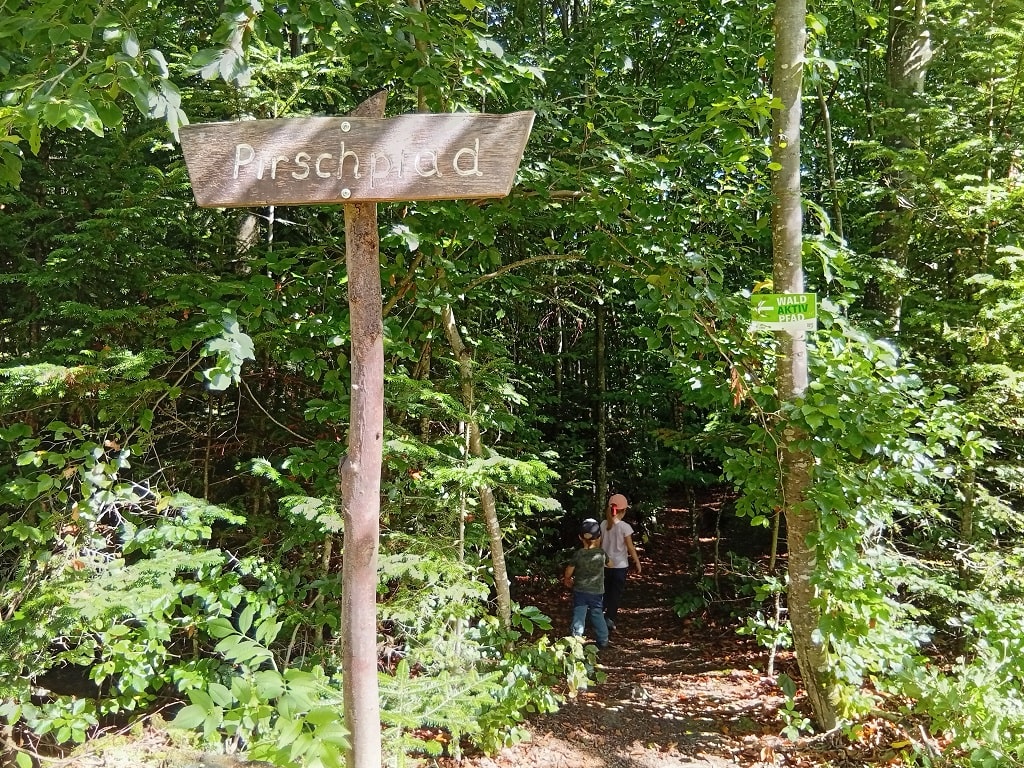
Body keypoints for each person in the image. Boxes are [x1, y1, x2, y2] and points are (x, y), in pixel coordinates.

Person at [563, 518, 610, 649]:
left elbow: (569, 571)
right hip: (597, 592)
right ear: (599, 537)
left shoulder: (578, 554)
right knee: (597, 614)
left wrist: (567, 579)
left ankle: (576, 640)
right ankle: (603, 639)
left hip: (580, 590)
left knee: (579, 614)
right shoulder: (601, 554)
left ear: (580, 537)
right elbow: (611, 564)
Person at [600, 493, 642, 631]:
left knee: (604, 591)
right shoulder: (625, 527)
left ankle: (598, 615)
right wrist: (637, 561)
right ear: (623, 511)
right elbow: (630, 547)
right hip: (620, 566)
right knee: (615, 593)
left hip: (605, 565)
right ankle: (610, 618)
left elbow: (599, 544)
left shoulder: (604, 524)